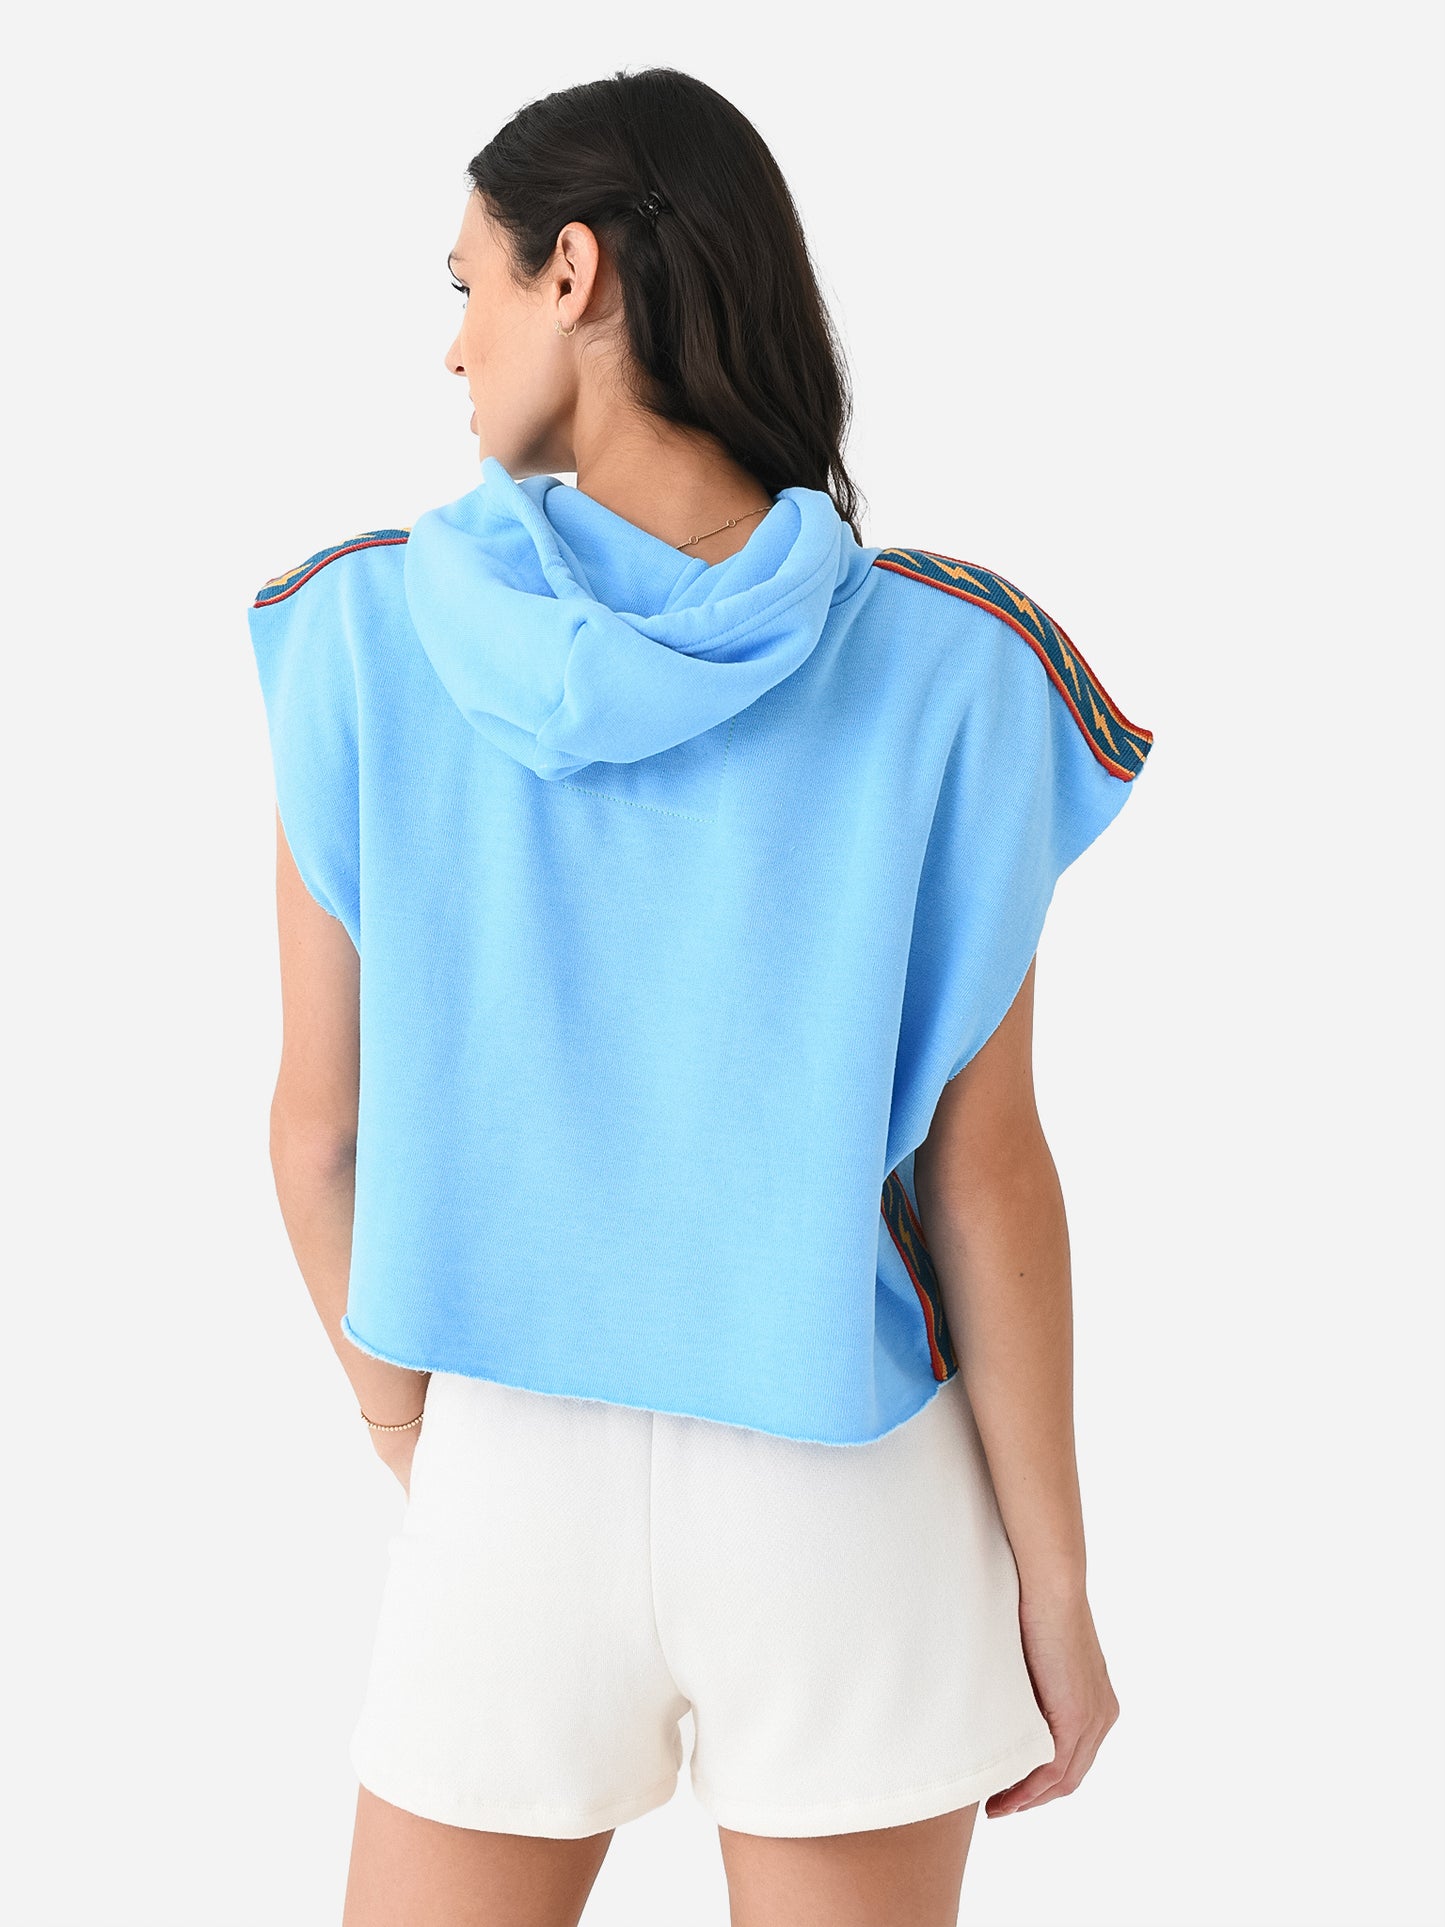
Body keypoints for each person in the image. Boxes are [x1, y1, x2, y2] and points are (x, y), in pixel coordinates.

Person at [248, 65, 1154, 1927]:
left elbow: (317, 1139)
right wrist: (1056, 1588)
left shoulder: (357, 637)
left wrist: (421, 1449)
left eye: (468, 283)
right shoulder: (957, 665)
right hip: (846, 1493)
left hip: (502, 1471)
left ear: (571, 271)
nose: (453, 345)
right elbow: (983, 1173)